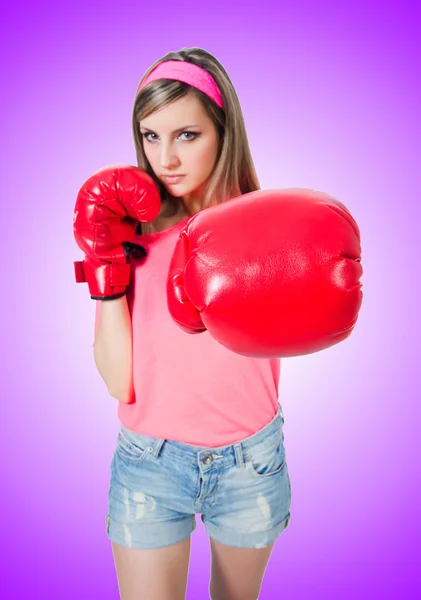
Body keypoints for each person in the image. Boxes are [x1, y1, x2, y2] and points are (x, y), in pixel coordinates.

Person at [73, 47, 359, 600]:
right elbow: (116, 383)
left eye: (187, 134)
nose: (165, 158)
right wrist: (107, 272)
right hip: (149, 462)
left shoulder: (270, 225)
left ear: (223, 130)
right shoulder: (128, 234)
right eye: (150, 136)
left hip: (249, 462)